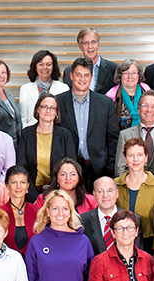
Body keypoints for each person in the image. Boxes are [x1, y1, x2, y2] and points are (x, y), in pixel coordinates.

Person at [57, 57, 119, 188]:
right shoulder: (59, 102)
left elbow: (113, 138)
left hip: (98, 169)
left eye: (86, 75)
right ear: (71, 76)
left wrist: (109, 168)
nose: (82, 79)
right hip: (68, 170)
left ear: (91, 77)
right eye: (78, 74)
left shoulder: (105, 103)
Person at [16, 93, 77, 200]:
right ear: (37, 110)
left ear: (56, 113)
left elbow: (70, 166)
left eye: (52, 108)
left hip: (60, 192)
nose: (48, 110)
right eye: (44, 107)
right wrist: (32, 195)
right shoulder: (26, 133)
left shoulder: (65, 135)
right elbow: (21, 166)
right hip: (31, 192)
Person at [115, 138, 154, 251]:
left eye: (139, 155)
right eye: (130, 155)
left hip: (149, 243)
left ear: (146, 158)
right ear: (125, 158)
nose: (135, 159)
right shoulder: (115, 185)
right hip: (120, 241)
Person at [115, 91, 154, 179]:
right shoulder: (125, 135)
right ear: (139, 110)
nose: (149, 110)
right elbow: (120, 169)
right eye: (145, 105)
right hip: (135, 187)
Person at [19, 50, 70, 129]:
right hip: (32, 134)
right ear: (35, 67)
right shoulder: (25, 89)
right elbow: (23, 119)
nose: (45, 68)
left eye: (48, 64)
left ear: (53, 66)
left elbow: (64, 118)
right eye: (41, 64)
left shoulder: (63, 88)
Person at [62, 28, 118, 95]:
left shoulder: (113, 69)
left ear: (98, 44)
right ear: (80, 46)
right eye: (86, 43)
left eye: (93, 42)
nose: (90, 46)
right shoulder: (69, 71)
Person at [0, 165, 40, 256]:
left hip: (33, 266)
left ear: (27, 186)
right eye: (14, 182)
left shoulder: (38, 212)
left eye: (22, 182)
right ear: (7, 185)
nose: (18, 187)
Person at [105, 59, 151, 130]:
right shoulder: (111, 96)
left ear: (139, 75)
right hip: (120, 139)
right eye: (126, 73)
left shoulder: (147, 91)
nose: (130, 76)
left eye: (134, 73)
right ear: (120, 76)